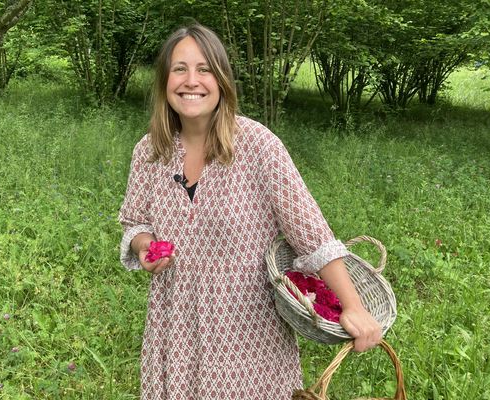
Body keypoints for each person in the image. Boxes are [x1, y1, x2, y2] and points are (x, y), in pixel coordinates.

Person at [119, 23, 382, 399]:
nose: (191, 80)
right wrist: (145, 245)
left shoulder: (258, 146)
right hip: (174, 325)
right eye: (180, 69)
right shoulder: (149, 151)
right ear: (164, 80)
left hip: (247, 334)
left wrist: (353, 306)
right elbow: (135, 220)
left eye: (204, 69)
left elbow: (312, 234)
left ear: (222, 80)